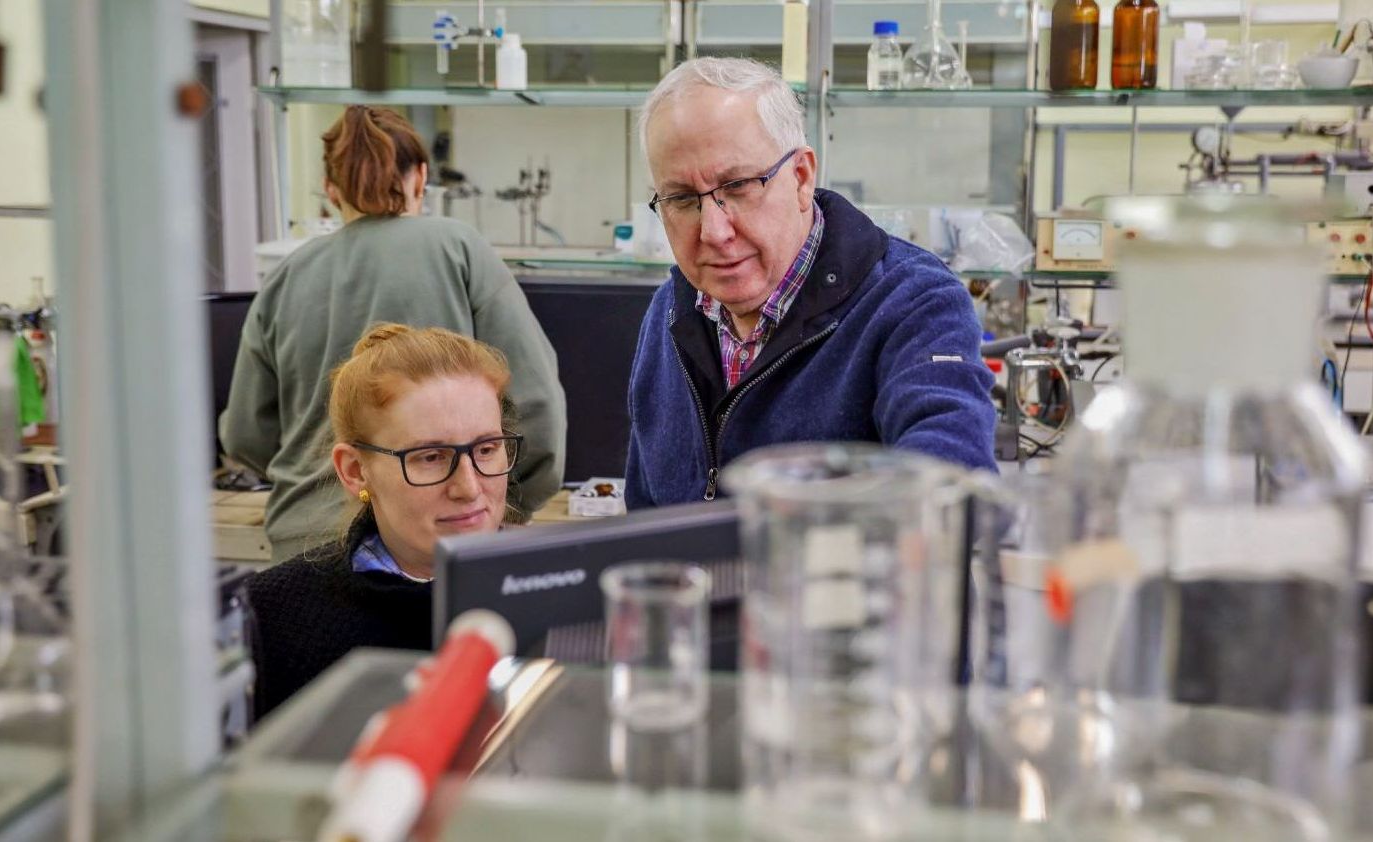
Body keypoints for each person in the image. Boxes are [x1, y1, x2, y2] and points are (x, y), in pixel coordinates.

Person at [624, 58, 996, 509]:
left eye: (739, 186)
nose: (714, 232)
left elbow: (953, 488)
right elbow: (645, 515)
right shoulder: (670, 311)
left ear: (801, 177)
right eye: (682, 199)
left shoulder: (913, 303)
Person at [221, 105, 564, 561]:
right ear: (421, 178)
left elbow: (247, 437)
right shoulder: (459, 249)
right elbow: (538, 409)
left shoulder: (288, 275)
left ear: (329, 190)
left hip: (303, 546)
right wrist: (502, 505)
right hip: (439, 543)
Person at [245, 323, 520, 717]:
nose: (470, 487)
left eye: (488, 449)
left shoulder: (566, 594)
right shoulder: (273, 618)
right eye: (430, 457)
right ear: (355, 470)